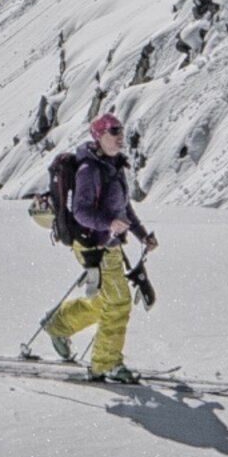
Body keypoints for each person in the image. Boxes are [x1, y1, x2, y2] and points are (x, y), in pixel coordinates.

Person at [37, 113, 160, 383]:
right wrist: (109, 223)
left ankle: (58, 325)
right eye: (112, 132)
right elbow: (80, 212)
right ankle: (106, 364)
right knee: (118, 301)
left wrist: (141, 235)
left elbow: (124, 208)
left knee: (105, 301)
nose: (119, 137)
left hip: (109, 244)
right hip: (93, 246)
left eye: (120, 131)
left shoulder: (114, 166)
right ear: (98, 136)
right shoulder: (89, 170)